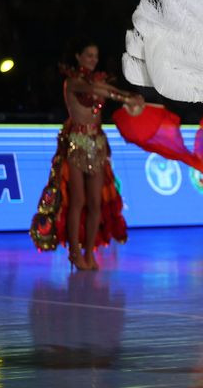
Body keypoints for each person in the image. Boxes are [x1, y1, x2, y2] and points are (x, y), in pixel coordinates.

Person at [30, 39, 143, 270]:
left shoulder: (99, 81)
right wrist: (126, 97)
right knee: (78, 201)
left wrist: (130, 97)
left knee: (95, 202)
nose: (93, 60)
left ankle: (89, 252)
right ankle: (75, 253)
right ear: (78, 57)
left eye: (96, 56)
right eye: (89, 55)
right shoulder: (72, 82)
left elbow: (105, 89)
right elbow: (94, 90)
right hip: (76, 143)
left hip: (97, 143)